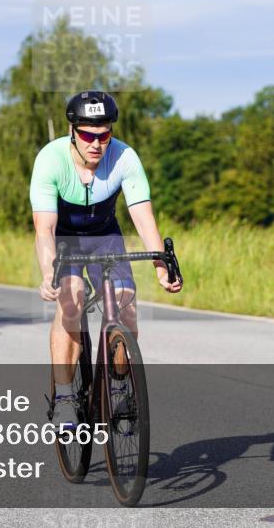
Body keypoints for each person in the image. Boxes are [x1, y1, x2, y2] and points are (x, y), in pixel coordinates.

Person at [30, 90, 182, 430]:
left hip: (104, 236)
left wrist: (161, 267)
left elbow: (143, 216)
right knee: (72, 299)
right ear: (73, 132)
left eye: (104, 134)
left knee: (126, 303)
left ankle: (118, 387)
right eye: (87, 135)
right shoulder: (50, 159)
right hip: (65, 240)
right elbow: (45, 227)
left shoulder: (125, 157)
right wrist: (47, 273)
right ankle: (66, 396)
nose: (96, 143)